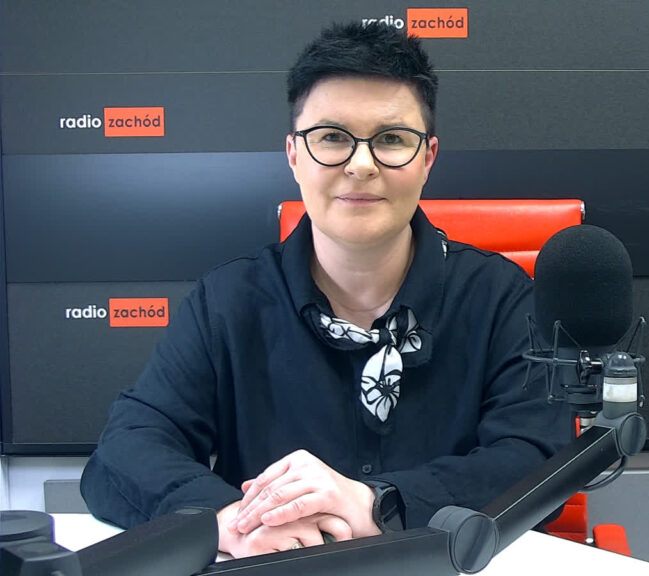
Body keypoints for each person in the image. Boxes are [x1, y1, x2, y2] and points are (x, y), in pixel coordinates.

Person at [80, 21, 572, 558]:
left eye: (391, 139)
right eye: (333, 137)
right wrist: (230, 521)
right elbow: (124, 454)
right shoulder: (227, 302)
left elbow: (537, 461)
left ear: (427, 158)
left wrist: (378, 503)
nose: (361, 165)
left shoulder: (501, 298)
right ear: (294, 154)